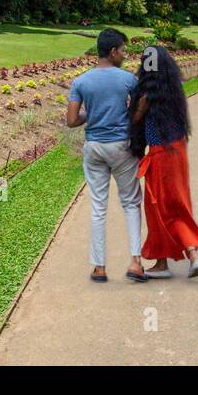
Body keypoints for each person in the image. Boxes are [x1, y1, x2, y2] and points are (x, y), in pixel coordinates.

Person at [65, 28, 148, 284]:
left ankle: (99, 267)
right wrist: (129, 116)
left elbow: (71, 120)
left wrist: (94, 113)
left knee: (98, 207)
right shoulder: (128, 80)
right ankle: (135, 262)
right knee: (131, 203)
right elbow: (140, 105)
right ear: (113, 52)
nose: (125, 55)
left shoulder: (80, 82)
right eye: (123, 50)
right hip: (121, 147)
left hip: (94, 148)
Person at [131, 45, 198, 279]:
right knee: (178, 203)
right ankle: (189, 255)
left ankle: (173, 261)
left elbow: (135, 122)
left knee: (158, 208)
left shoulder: (144, 95)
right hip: (179, 151)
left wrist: (139, 111)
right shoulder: (175, 89)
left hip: (160, 155)